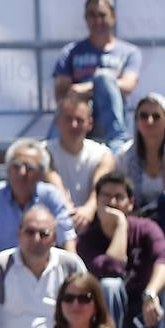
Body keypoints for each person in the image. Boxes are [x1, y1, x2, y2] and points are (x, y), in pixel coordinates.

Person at [74, 171, 165, 328]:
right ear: (97, 201)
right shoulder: (86, 239)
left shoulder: (146, 228)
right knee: (110, 285)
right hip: (108, 313)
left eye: (119, 197)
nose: (112, 203)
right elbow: (111, 269)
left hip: (144, 309)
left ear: (130, 203)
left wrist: (150, 294)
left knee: (164, 287)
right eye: (106, 196)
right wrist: (121, 224)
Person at [0, 140, 77, 278]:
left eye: (29, 168)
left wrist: (73, 280)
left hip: (43, 278)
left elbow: (67, 237)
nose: (22, 172)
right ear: (7, 170)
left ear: (42, 173)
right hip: (1, 278)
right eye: (16, 166)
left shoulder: (50, 196)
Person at [53, 0, 140, 148]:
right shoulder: (70, 52)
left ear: (113, 17)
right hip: (79, 117)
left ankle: (117, 141)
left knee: (104, 77)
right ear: (85, 19)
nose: (97, 21)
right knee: (66, 111)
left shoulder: (129, 52)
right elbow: (61, 94)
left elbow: (128, 85)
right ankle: (50, 150)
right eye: (91, 15)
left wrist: (90, 86)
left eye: (102, 15)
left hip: (110, 118)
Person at [116, 93, 165, 255]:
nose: (149, 121)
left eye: (156, 116)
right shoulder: (126, 154)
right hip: (142, 217)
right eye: (143, 116)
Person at [46, 92, 116, 250]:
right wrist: (71, 214)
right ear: (57, 122)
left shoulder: (103, 154)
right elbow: (54, 182)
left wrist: (89, 209)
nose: (74, 125)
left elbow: (98, 187)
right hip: (56, 227)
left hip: (92, 225)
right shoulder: (45, 152)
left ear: (90, 123)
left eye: (79, 120)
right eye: (68, 119)